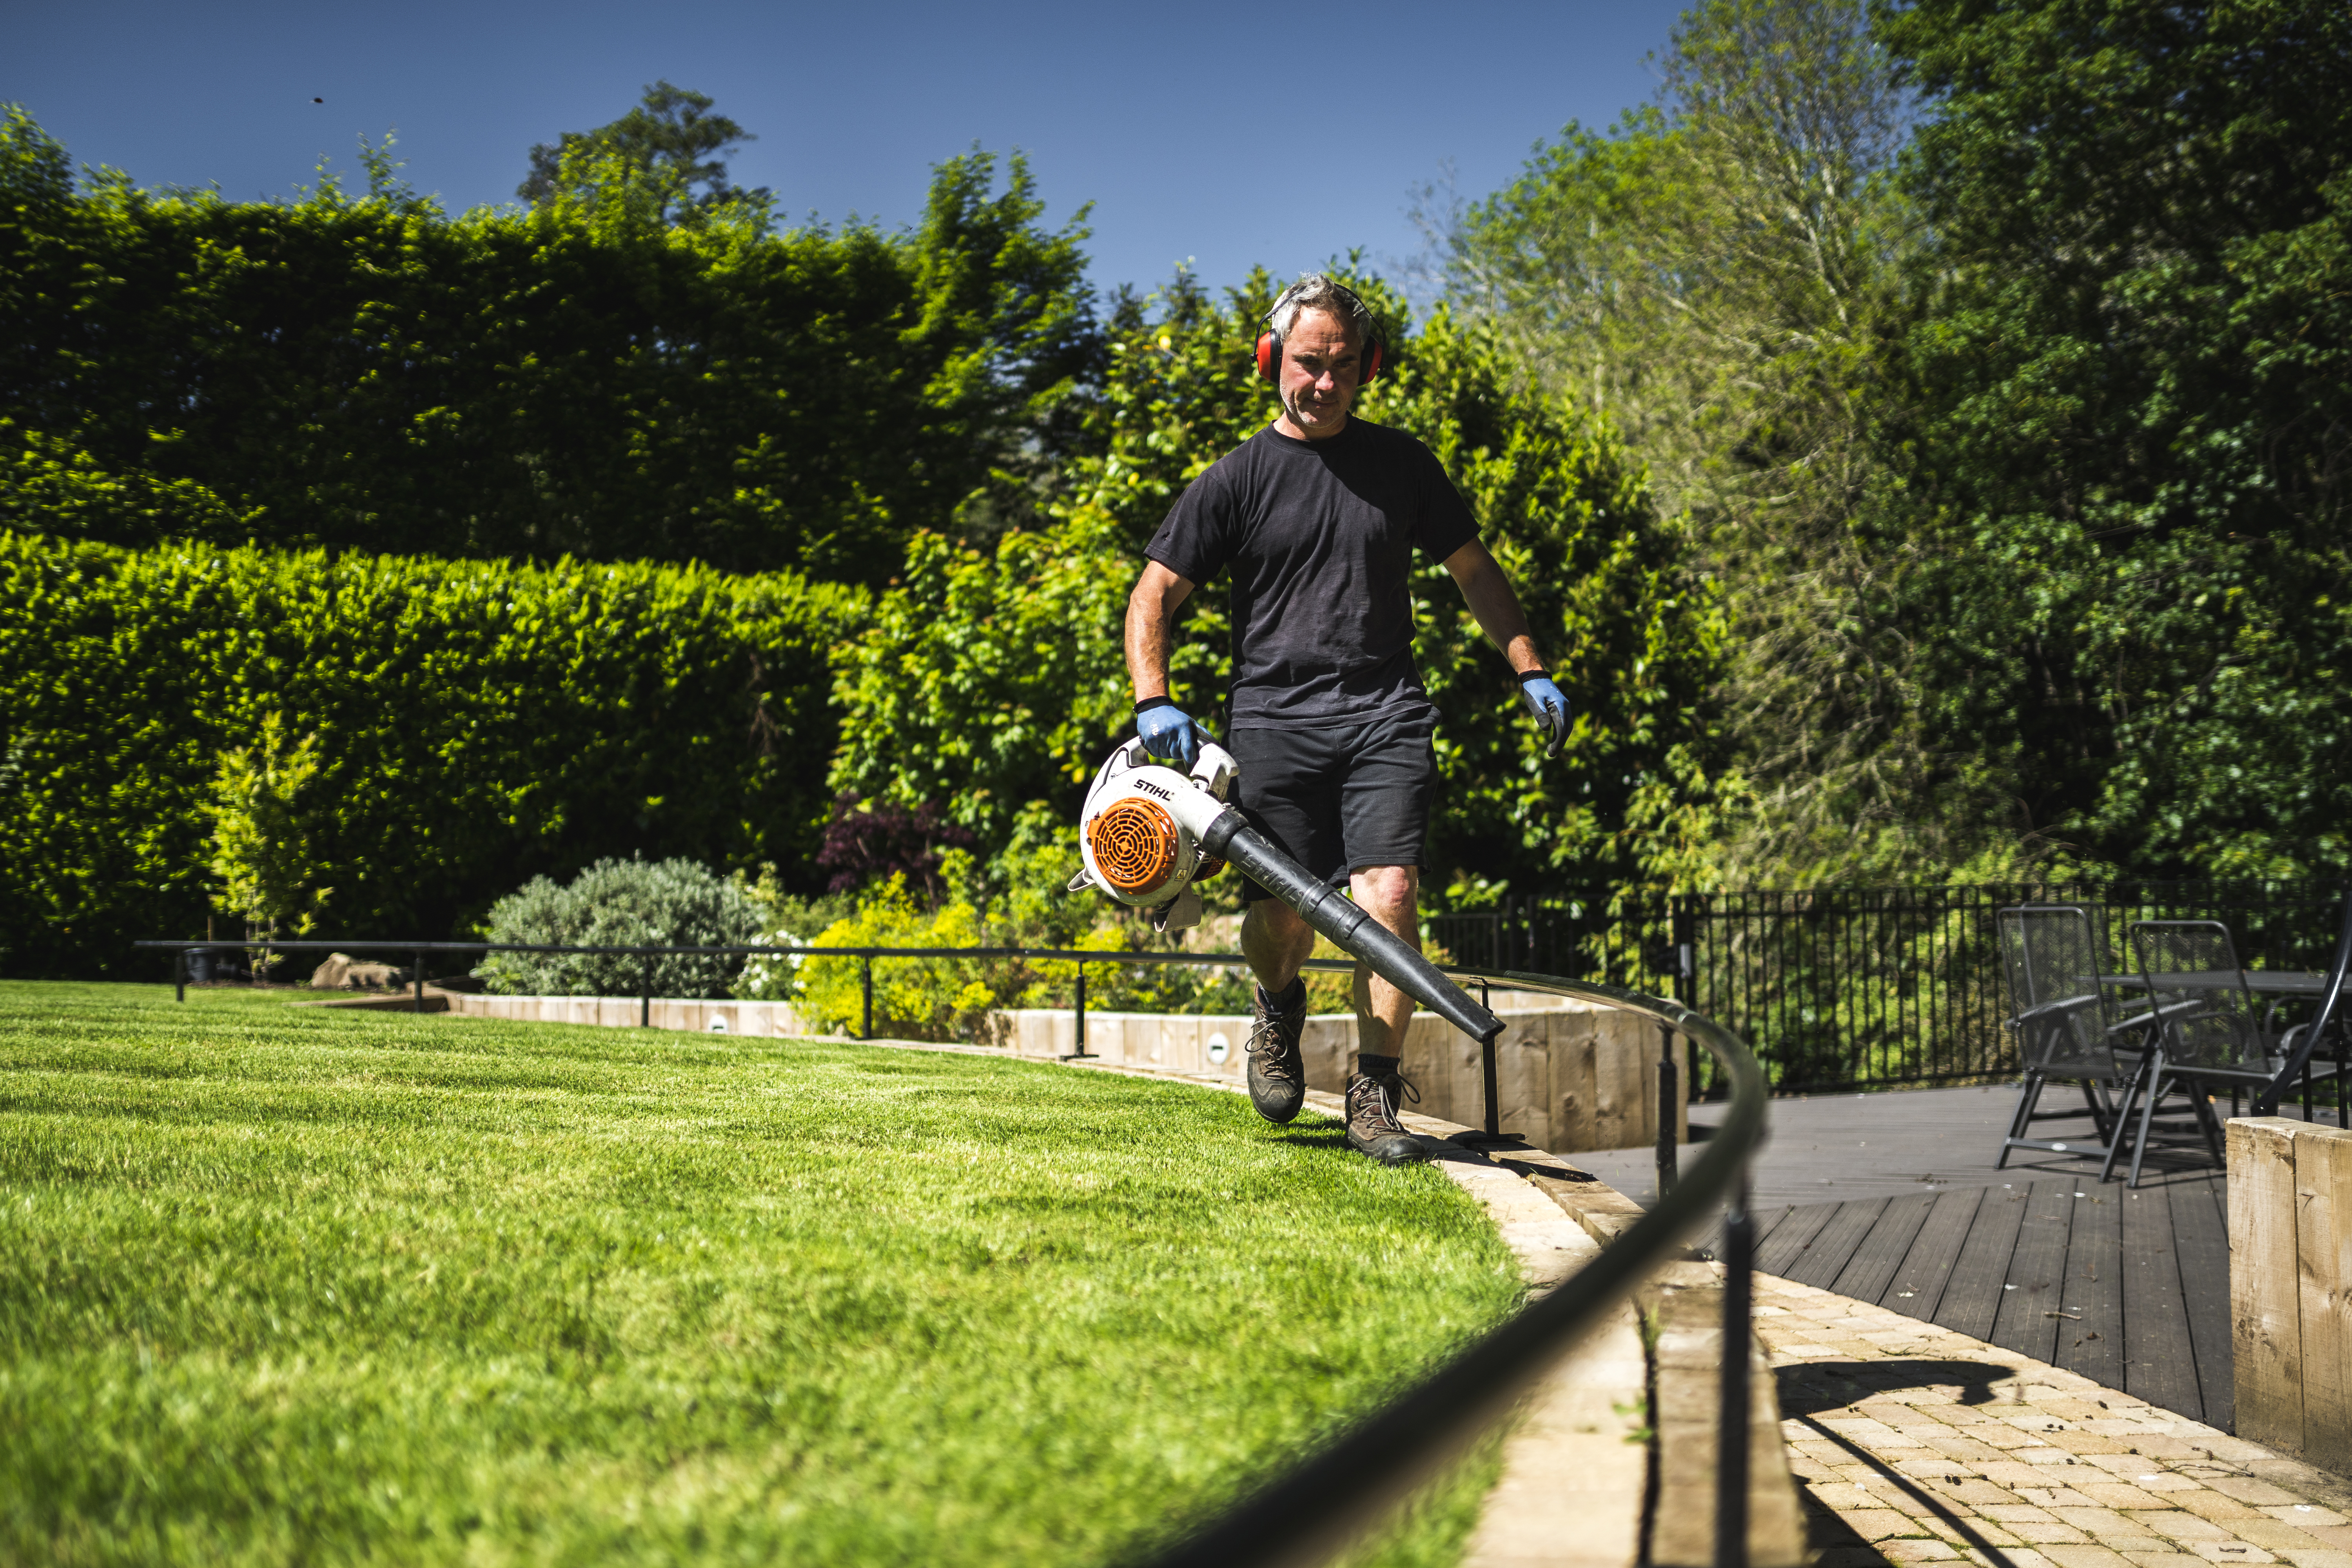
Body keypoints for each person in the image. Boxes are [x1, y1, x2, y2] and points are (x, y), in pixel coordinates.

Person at [1122, 274, 1569, 1165]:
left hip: (1383, 713)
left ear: (1368, 368)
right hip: (1274, 719)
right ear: (1272, 361)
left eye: (1340, 367)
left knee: (1389, 894)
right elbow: (1154, 594)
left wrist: (1530, 666)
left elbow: (1476, 573)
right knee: (1284, 917)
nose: (1322, 384)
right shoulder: (1238, 478)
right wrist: (1154, 697)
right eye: (1306, 364)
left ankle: (1373, 1092)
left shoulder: (1403, 466)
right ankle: (1277, 1008)